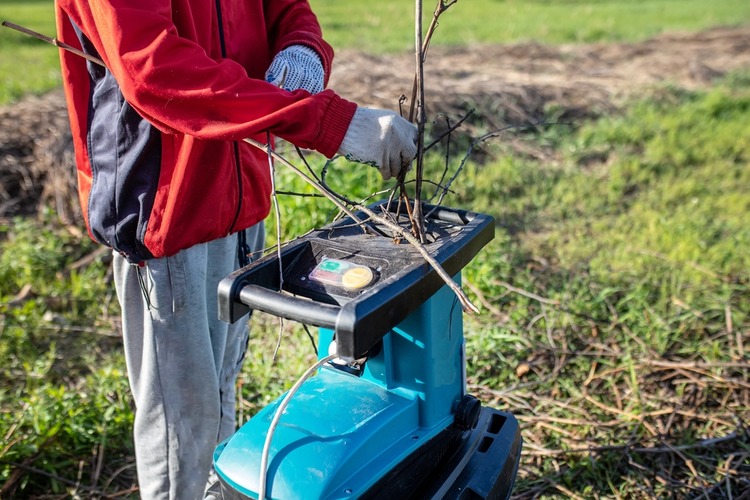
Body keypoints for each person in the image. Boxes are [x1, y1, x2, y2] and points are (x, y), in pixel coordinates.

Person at [54, 0, 418, 498]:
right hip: (167, 213)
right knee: (181, 422)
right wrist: (329, 122)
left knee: (222, 391)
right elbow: (153, 70)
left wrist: (302, 46)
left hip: (243, 197)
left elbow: (288, 8)